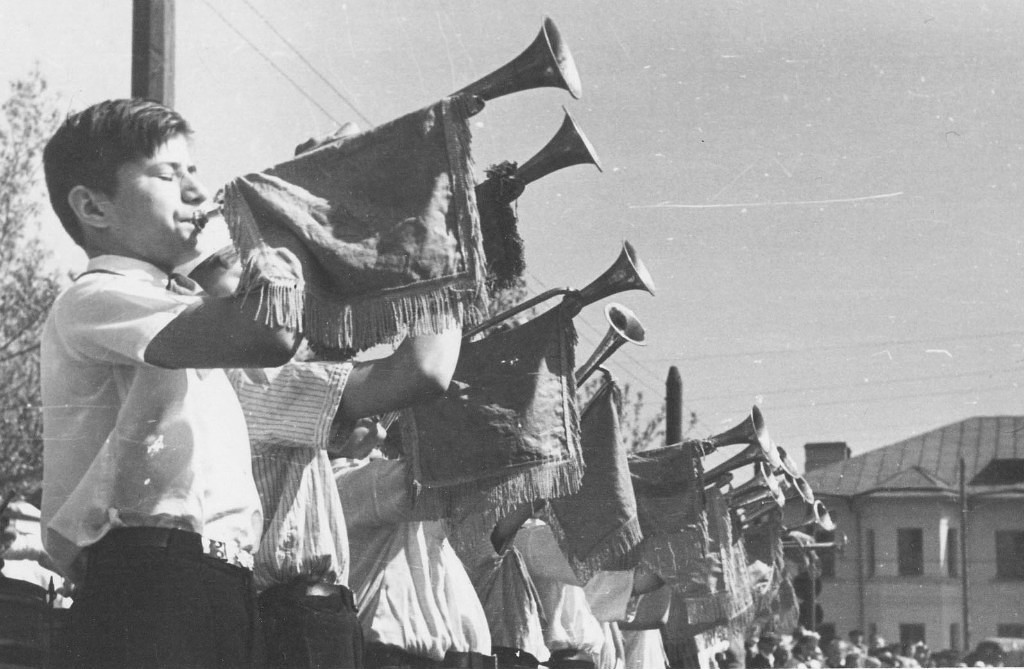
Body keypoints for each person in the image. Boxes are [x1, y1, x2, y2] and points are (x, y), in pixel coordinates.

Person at [40, 98, 304, 668]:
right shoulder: (95, 296)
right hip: (149, 585)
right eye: (167, 174)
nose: (197, 191)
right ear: (93, 207)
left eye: (194, 171)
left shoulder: (181, 302)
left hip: (217, 584)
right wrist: (256, 232)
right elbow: (270, 333)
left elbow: (285, 339)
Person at [188, 242, 464, 669]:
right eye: (246, 279)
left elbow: (357, 433)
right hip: (295, 616)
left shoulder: (230, 379)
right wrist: (443, 267)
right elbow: (421, 371)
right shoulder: (246, 378)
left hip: (301, 612)